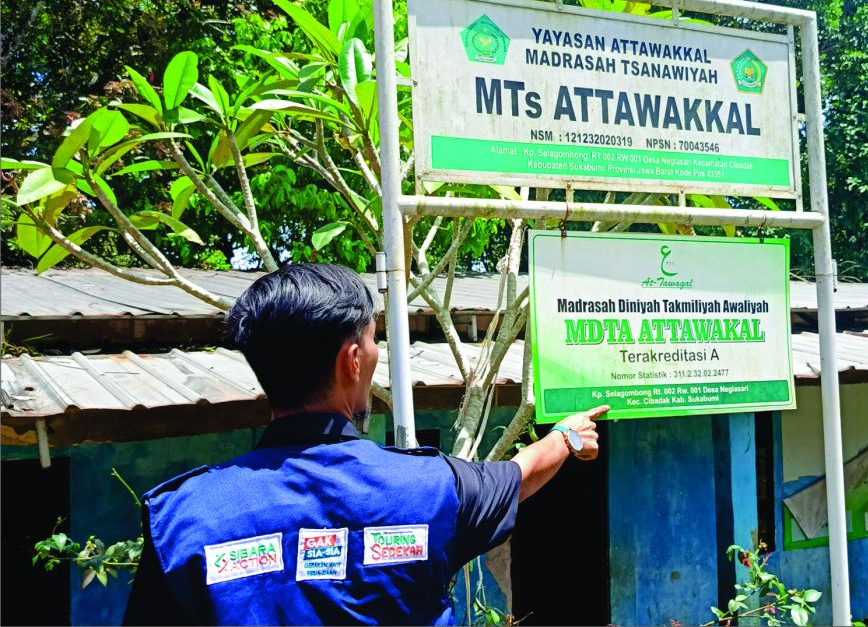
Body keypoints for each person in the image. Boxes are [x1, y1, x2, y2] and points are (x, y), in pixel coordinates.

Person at [123, 263, 608, 625]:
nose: (377, 354)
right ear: (352, 361)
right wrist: (567, 436)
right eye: (374, 340)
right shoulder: (432, 488)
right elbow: (520, 476)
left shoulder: (184, 517)